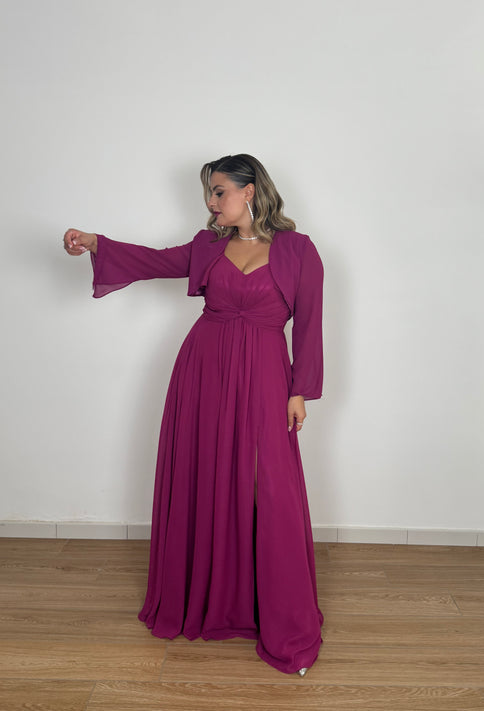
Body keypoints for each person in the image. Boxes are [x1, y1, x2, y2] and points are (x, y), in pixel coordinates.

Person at [63, 153, 324, 675]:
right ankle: (208, 600)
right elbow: (154, 261)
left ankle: (278, 614)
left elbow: (311, 323)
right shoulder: (208, 245)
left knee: (268, 486)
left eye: (219, 191)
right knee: (203, 474)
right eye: (209, 192)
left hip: (266, 375)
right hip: (203, 370)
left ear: (250, 191)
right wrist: (96, 243)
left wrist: (301, 391)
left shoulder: (299, 250)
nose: (211, 201)